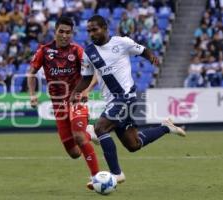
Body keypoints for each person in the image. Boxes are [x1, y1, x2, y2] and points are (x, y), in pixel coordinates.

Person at [70, 15, 186, 184]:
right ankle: (166, 128)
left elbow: (142, 49)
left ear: (104, 28)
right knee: (134, 144)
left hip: (126, 97)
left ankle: (116, 174)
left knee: (101, 128)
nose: (91, 34)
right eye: (89, 31)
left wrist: (151, 56)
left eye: (94, 29)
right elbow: (86, 78)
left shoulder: (121, 42)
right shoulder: (88, 53)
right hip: (112, 101)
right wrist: (76, 92)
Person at [27, 16, 100, 189]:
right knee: (74, 152)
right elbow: (31, 73)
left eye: (68, 32)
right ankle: (90, 132)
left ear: (72, 34)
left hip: (76, 100)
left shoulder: (78, 51)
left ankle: (97, 178)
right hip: (58, 105)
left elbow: (96, 73)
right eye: (62, 31)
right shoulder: (44, 51)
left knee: (79, 138)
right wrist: (32, 95)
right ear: (55, 32)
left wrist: (86, 90)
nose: (65, 35)